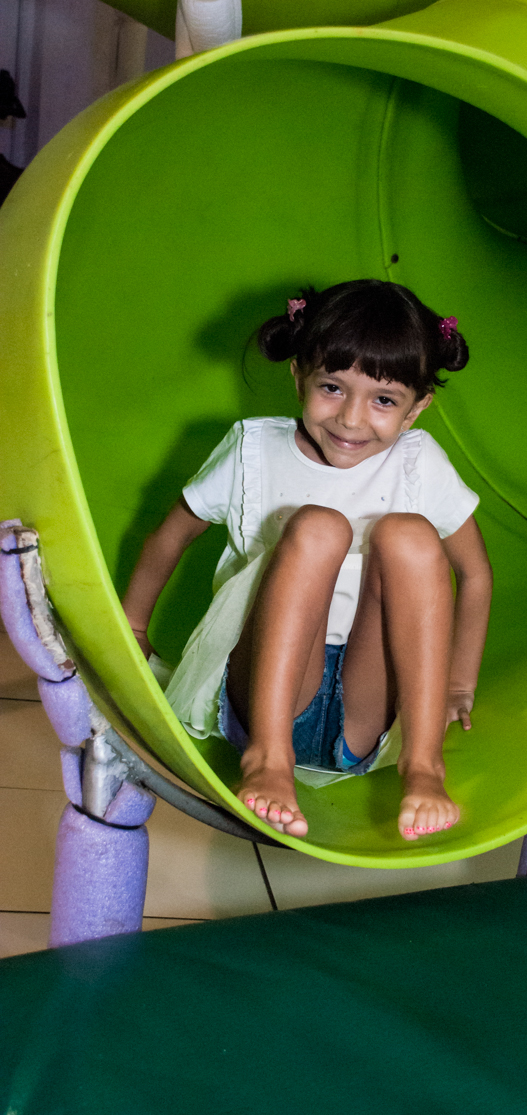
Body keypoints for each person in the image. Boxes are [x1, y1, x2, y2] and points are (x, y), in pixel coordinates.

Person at [122, 279, 492, 842]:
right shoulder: (254, 450)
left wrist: (459, 683)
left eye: (384, 400)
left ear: (417, 408)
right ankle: (269, 760)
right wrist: (132, 627)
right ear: (298, 375)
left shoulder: (421, 464)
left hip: (365, 714)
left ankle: (423, 765)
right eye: (332, 388)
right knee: (319, 527)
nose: (350, 419)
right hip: (265, 690)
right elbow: (171, 535)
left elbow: (475, 573)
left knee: (411, 536)